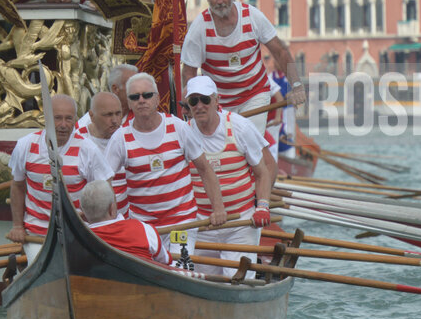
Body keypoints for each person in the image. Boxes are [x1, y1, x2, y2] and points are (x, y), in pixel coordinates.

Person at [103, 73, 226, 256]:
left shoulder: (178, 127)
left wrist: (218, 208)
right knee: (151, 271)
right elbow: (104, 182)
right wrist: (111, 220)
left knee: (178, 267)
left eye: (147, 95)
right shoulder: (120, 138)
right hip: (144, 227)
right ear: (128, 103)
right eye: (135, 97)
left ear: (157, 98)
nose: (141, 100)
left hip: (182, 222)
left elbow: (205, 170)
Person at [181, 0, 305, 134]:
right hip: (217, 101)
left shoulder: (252, 16)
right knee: (225, 146)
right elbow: (188, 73)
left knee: (248, 139)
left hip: (255, 94)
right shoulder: (199, 28)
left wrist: (296, 85)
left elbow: (280, 51)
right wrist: (192, 103)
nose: (219, 1)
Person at [184, 75, 276, 277]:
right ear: (188, 105)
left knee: (237, 280)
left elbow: (263, 172)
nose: (199, 106)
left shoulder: (240, 127)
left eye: (205, 99)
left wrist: (262, 206)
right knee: (206, 284)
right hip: (201, 224)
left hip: (240, 224)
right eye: (193, 101)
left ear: (216, 100)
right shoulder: (184, 132)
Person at [7, 94, 113, 261]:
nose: (63, 125)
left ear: (75, 120)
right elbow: (18, 186)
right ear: (46, 119)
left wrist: (104, 230)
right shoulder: (25, 145)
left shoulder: (87, 149)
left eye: (69, 119)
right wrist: (17, 226)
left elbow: (106, 191)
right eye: (57, 118)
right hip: (36, 234)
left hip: (77, 233)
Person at [80, 180, 172, 266]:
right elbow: (166, 262)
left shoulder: (79, 240)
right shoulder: (144, 229)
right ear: (111, 209)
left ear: (83, 212)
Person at [80, 91, 129, 216]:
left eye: (118, 113)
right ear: (91, 116)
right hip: (92, 222)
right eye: (108, 115)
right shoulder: (78, 142)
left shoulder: (129, 136)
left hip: (128, 219)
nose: (115, 120)